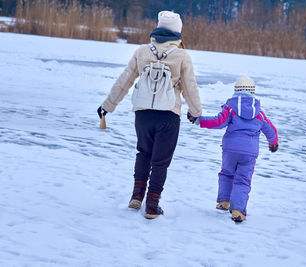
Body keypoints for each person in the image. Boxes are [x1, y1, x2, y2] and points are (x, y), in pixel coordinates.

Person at [97, 11, 202, 219]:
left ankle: (136, 197)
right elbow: (190, 88)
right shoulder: (182, 55)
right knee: (160, 161)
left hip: (143, 114)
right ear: (178, 32)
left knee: (143, 153)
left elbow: (125, 80)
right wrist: (195, 112)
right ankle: (152, 206)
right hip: (168, 115)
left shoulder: (142, 51)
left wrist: (108, 105)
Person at [187, 77, 278, 222]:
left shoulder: (231, 108)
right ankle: (238, 211)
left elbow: (218, 121)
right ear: (253, 92)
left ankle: (224, 202)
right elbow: (270, 130)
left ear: (236, 90)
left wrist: (198, 120)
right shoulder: (259, 113)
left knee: (227, 174)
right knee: (243, 180)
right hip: (249, 152)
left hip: (230, 149)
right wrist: (273, 143)